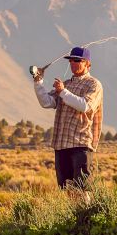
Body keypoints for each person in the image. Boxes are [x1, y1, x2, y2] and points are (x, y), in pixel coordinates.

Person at [33, 45, 104, 192]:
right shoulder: (65, 85)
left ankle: (85, 215)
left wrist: (63, 92)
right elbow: (47, 102)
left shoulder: (94, 84)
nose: (73, 63)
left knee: (82, 190)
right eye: (71, 60)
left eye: (77, 60)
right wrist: (38, 82)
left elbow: (85, 106)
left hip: (81, 145)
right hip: (61, 146)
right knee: (66, 190)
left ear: (87, 64)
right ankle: (72, 215)